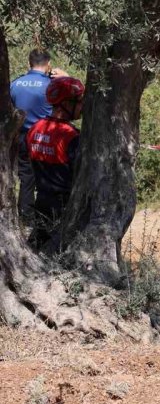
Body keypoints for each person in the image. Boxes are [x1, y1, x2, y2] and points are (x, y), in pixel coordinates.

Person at [26, 76, 84, 253]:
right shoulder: (72, 136)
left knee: (34, 249)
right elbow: (80, 174)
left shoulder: (34, 128)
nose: (82, 108)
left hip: (41, 201)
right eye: (79, 102)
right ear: (66, 103)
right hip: (64, 207)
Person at [10, 49, 68, 223]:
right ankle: (49, 220)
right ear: (48, 64)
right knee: (50, 178)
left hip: (21, 137)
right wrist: (65, 77)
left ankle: (26, 220)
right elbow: (72, 101)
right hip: (46, 136)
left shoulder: (15, 84)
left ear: (29, 63)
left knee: (26, 178)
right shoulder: (52, 85)